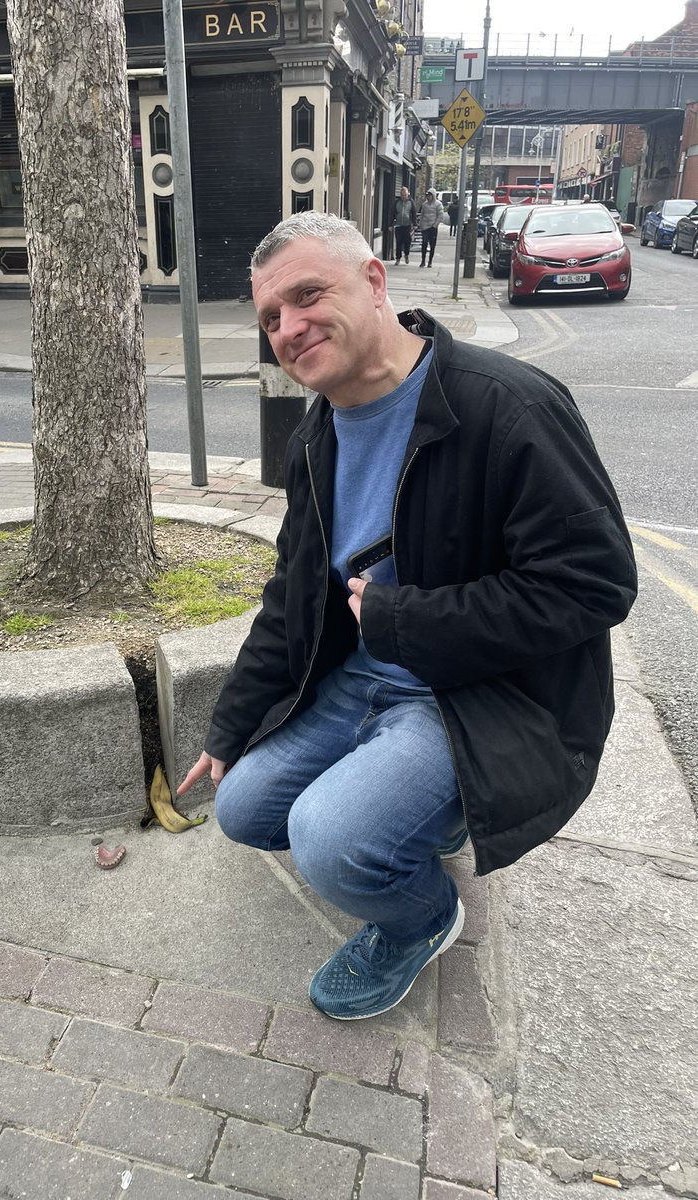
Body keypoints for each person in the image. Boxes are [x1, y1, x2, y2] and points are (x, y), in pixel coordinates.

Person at [178, 211, 636, 1022]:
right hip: (365, 681)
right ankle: (415, 821)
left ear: (376, 281)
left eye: (308, 294)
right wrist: (229, 726)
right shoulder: (315, 433)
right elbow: (291, 595)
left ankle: (423, 920)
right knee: (244, 809)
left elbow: (595, 585)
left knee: (329, 839)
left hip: (481, 696)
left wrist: (407, 624)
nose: (289, 328)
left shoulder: (508, 406)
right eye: (270, 318)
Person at [417, 189, 444, 267]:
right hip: (425, 227)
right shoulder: (424, 205)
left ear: (433, 196)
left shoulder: (438, 204)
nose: (428, 197)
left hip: (433, 228)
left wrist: (435, 225)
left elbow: (440, 216)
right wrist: (421, 225)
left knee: (432, 245)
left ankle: (430, 261)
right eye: (427, 196)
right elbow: (422, 215)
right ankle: (423, 261)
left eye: (430, 196)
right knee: (424, 243)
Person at [390, 186, 416, 265]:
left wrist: (414, 224)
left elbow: (414, 213)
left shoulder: (411, 202)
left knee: (407, 242)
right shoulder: (397, 202)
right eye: (402, 195)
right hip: (398, 225)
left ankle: (406, 254)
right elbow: (392, 213)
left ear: (407, 194)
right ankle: (398, 258)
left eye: (405, 195)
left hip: (407, 225)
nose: (403, 196)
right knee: (398, 242)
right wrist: (390, 224)